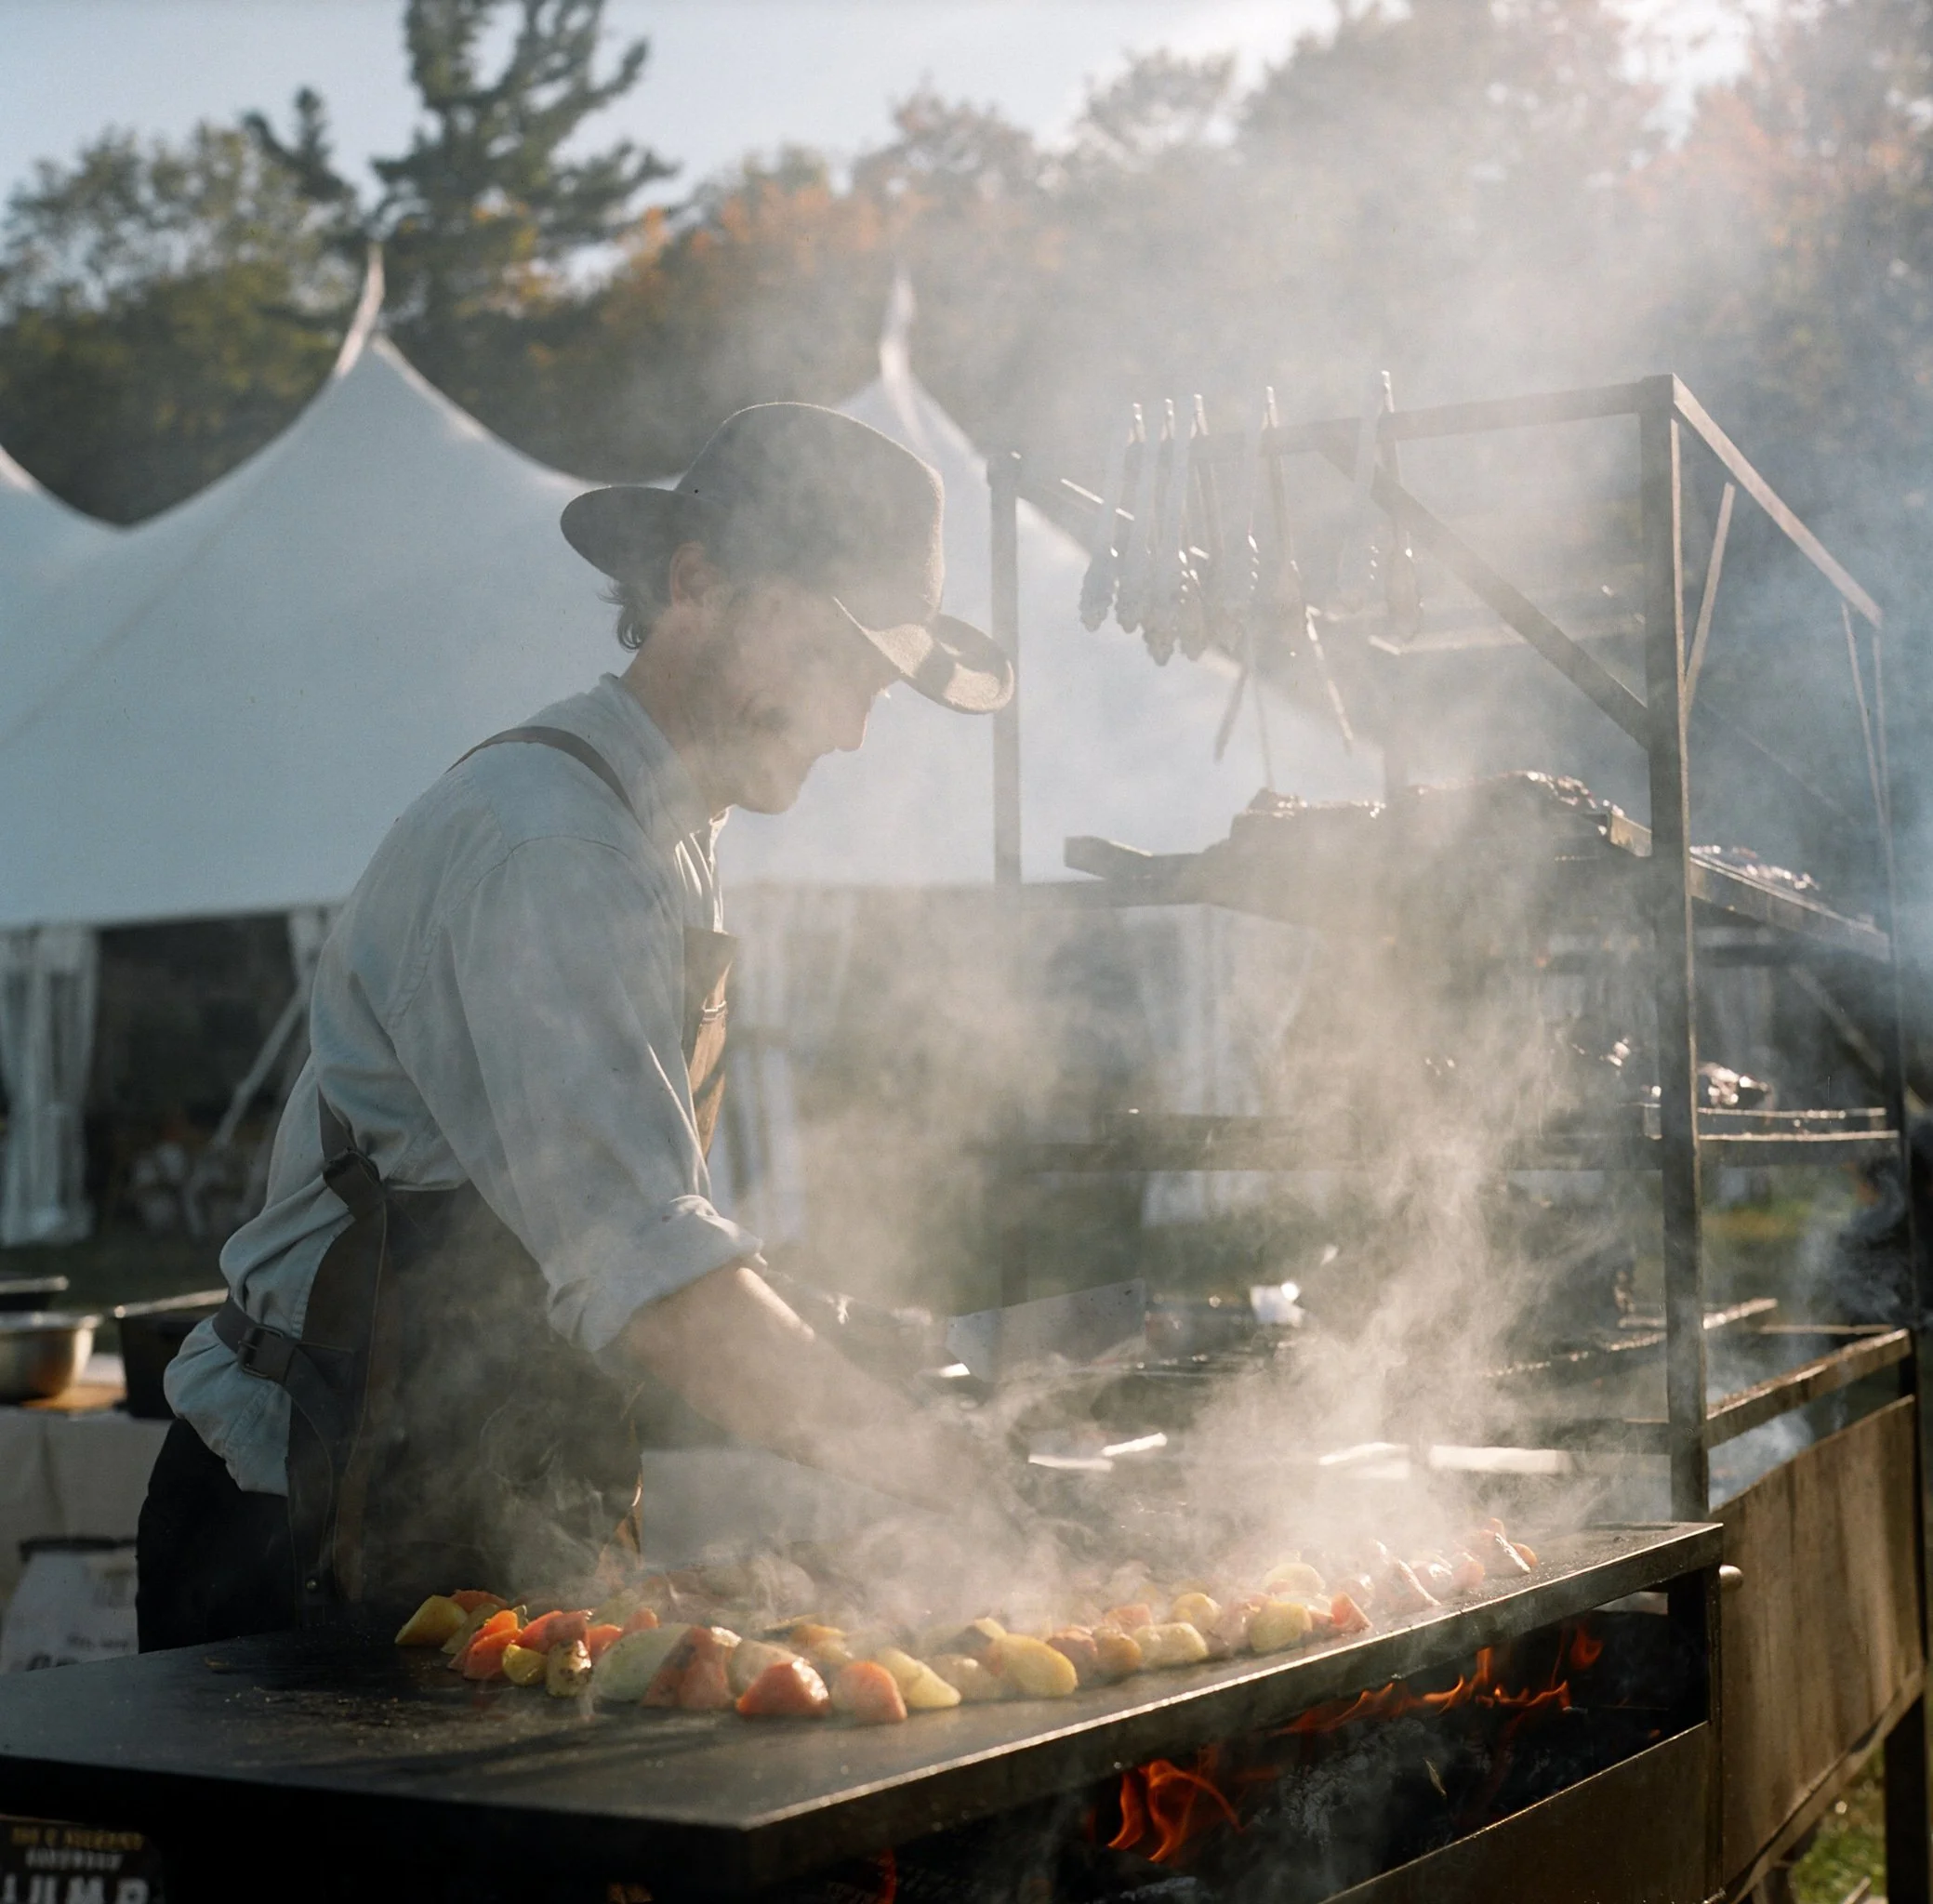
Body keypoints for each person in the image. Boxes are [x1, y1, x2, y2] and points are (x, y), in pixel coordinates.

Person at [137, 403, 1018, 1647]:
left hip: (476, 1501)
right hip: (303, 1534)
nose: (851, 726)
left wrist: (890, 1360)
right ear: (694, 583)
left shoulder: (660, 834)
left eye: (871, 684)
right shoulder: (554, 844)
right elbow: (650, 1277)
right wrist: (957, 1476)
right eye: (828, 662)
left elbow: (615, 1237)